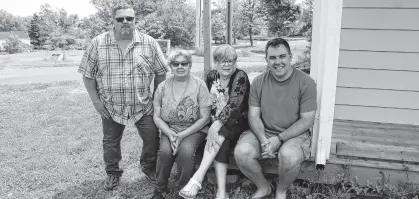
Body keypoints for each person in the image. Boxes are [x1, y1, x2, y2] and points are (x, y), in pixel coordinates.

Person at [78, 3, 169, 191]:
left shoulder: (149, 43)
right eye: (120, 19)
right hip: (110, 105)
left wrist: (155, 99)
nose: (125, 22)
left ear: (135, 20)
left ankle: (149, 168)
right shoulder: (98, 43)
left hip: (143, 105)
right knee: (110, 142)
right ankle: (112, 173)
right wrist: (96, 101)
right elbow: (87, 75)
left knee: (152, 138)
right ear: (113, 21)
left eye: (130, 18)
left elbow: (161, 73)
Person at [234, 38, 317, 199]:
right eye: (272, 58)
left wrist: (279, 139)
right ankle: (263, 187)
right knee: (241, 152)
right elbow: (253, 115)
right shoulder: (259, 82)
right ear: (266, 60)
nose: (277, 62)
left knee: (289, 156)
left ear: (290, 57)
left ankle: (281, 191)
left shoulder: (306, 83)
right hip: (264, 131)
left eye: (282, 56)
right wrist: (264, 139)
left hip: (294, 134)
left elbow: (307, 120)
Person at [179, 45, 250, 199]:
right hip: (217, 126)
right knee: (221, 143)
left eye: (231, 61)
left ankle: (198, 177)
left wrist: (215, 126)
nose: (227, 65)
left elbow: (235, 105)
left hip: (237, 122)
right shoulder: (212, 76)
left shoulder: (240, 76)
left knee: (220, 132)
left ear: (235, 62)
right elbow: (206, 101)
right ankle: (221, 193)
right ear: (216, 62)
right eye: (223, 61)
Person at [151, 49, 212, 199]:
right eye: (175, 63)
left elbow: (205, 117)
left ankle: (183, 188)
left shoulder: (199, 85)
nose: (180, 66)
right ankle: (160, 189)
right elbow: (157, 117)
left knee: (185, 151)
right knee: (165, 152)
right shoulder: (162, 87)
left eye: (184, 63)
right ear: (170, 66)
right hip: (170, 129)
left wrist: (182, 135)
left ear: (190, 65)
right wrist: (170, 133)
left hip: (195, 129)